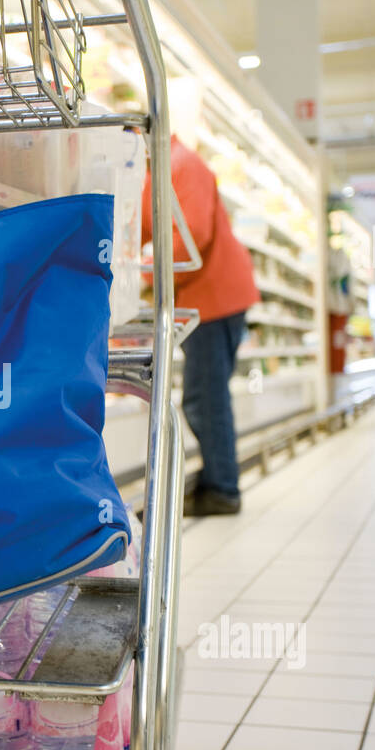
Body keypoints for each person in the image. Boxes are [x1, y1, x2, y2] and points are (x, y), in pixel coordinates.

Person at [142, 135, 260, 516]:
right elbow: (146, 224)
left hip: (214, 296)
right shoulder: (153, 170)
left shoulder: (182, 164)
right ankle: (216, 480)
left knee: (204, 397)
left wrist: (145, 275)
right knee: (205, 395)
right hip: (201, 297)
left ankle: (222, 489)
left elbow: (193, 236)